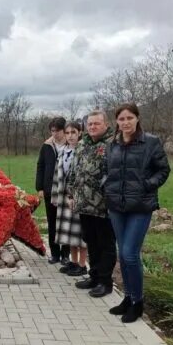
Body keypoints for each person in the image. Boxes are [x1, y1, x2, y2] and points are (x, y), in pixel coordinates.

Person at [104, 103, 170, 323]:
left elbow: (163, 170)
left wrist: (147, 185)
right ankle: (128, 298)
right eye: (121, 119)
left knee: (131, 253)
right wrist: (107, 186)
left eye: (129, 118)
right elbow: (107, 170)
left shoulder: (150, 142)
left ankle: (138, 303)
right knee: (122, 254)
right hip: (116, 206)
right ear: (117, 122)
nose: (125, 122)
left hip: (140, 206)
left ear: (137, 119)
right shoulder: (112, 143)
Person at [67, 110, 116, 298]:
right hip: (83, 204)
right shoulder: (81, 145)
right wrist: (71, 194)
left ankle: (105, 282)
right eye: (90, 124)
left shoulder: (112, 145)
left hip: (104, 206)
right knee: (91, 241)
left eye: (97, 123)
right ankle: (94, 276)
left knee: (105, 244)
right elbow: (74, 171)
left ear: (105, 125)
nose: (93, 127)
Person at [51, 121, 88, 277]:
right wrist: (55, 196)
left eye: (73, 132)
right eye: (67, 133)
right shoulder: (62, 151)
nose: (70, 136)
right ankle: (73, 262)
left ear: (79, 133)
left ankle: (82, 264)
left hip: (78, 198)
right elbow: (56, 176)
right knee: (68, 233)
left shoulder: (84, 151)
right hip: (63, 196)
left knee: (80, 233)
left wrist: (75, 195)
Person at [36, 116, 70, 264]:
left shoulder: (71, 145)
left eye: (57, 131)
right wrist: (40, 187)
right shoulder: (47, 146)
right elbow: (40, 166)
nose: (54, 134)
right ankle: (55, 254)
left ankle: (66, 255)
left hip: (67, 190)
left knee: (66, 223)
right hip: (50, 189)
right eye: (52, 131)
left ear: (64, 130)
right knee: (52, 222)